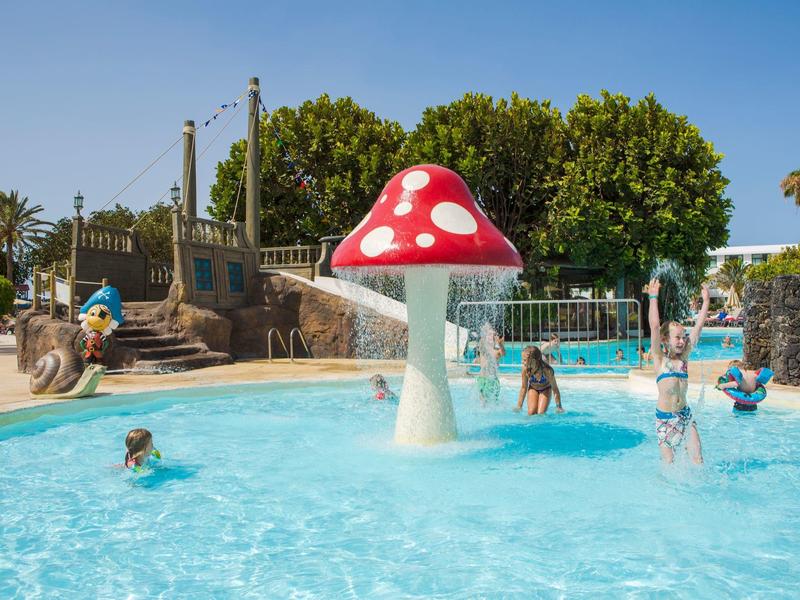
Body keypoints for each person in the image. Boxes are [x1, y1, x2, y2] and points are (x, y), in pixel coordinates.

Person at [647, 278, 710, 464]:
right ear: (665, 339)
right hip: (665, 420)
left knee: (698, 458)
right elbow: (655, 327)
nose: (682, 341)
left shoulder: (683, 360)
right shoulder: (660, 359)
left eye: (683, 337)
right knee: (669, 464)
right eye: (677, 338)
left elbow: (697, 328)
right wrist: (653, 298)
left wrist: (706, 301)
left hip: (685, 415)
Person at [515, 346, 564, 415]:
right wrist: (519, 406)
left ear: (534, 360)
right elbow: (524, 387)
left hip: (546, 389)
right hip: (533, 388)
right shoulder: (525, 369)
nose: (522, 362)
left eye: (525, 360)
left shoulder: (547, 370)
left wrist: (559, 407)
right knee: (531, 413)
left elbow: (555, 389)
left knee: (541, 413)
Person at [475, 324, 505, 404]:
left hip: (492, 379)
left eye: (493, 335)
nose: (491, 336)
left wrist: (500, 344)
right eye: (489, 334)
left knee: (492, 401)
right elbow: (481, 344)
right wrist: (485, 330)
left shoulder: (496, 350)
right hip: (482, 378)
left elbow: (503, 353)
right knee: (482, 401)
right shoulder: (483, 348)